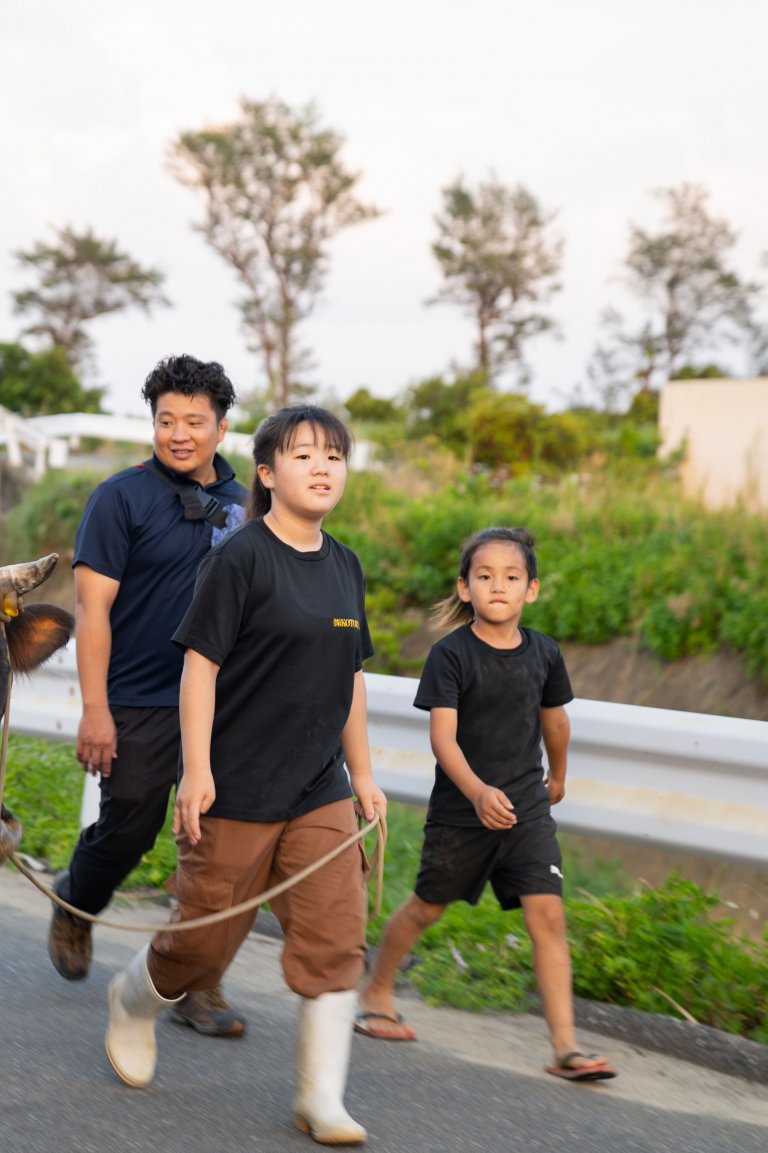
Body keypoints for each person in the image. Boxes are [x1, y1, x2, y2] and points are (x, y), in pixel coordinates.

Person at [102, 404, 385, 1146]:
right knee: (201, 944)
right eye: (303, 455)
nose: (323, 467)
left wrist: (363, 774)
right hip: (236, 786)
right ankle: (133, 1001)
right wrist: (196, 770)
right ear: (266, 472)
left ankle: (320, 1097)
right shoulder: (240, 559)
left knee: (335, 938)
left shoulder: (346, 565)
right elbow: (200, 666)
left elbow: (349, 678)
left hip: (318, 787)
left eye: (334, 455)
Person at [355, 527, 618, 1083]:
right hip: (462, 812)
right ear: (465, 587)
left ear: (533, 589)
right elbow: (443, 739)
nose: (498, 586)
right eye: (485, 576)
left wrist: (559, 776)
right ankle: (377, 987)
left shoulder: (544, 652)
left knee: (547, 914)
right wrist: (476, 792)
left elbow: (556, 721)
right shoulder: (450, 655)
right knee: (428, 905)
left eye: (512, 576)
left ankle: (565, 1045)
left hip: (526, 809)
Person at [48, 354, 250, 1039]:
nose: (179, 433)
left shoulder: (247, 504)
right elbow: (92, 608)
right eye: (167, 419)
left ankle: (196, 981)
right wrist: (95, 708)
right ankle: (78, 897)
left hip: (223, 704)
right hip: (138, 698)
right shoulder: (120, 498)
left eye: (195, 420)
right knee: (128, 828)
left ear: (222, 426)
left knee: (218, 847)